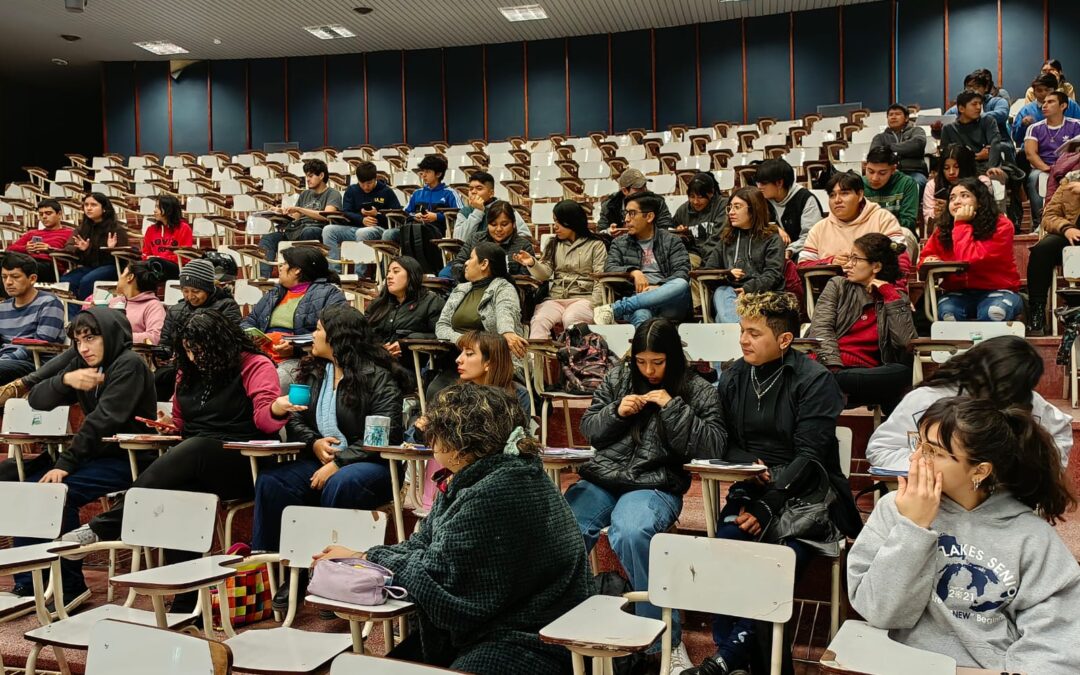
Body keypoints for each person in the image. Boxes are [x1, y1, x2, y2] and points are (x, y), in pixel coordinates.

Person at [312, 384, 593, 675]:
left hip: (531, 639)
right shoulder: (489, 475)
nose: (430, 440)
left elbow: (440, 578)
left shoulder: (497, 491)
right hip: (501, 626)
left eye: (436, 433)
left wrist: (372, 558)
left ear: (459, 443)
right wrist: (362, 556)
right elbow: (424, 544)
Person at [63, 309, 302, 613]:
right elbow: (182, 420)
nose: (192, 356)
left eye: (199, 349)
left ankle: (107, 525)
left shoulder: (253, 364)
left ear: (220, 343)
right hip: (196, 461)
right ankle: (186, 602)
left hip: (243, 461)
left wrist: (279, 409)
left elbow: (265, 420)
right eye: (187, 349)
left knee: (196, 447)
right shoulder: (186, 370)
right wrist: (167, 424)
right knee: (180, 494)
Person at [686, 292, 861, 675]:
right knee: (727, 551)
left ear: (784, 340)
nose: (743, 340)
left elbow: (812, 454)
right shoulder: (734, 375)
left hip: (809, 494)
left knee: (775, 564)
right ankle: (734, 663)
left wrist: (769, 506)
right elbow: (723, 440)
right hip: (752, 485)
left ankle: (725, 661)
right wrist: (748, 468)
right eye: (741, 331)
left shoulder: (815, 380)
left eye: (754, 332)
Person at [848, 397, 1080, 674]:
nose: (915, 458)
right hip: (899, 664)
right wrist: (914, 528)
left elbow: (1057, 639)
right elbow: (879, 612)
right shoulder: (895, 509)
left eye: (933, 451)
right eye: (918, 444)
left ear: (980, 471)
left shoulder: (1031, 537)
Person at [570, 318, 724, 671]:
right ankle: (566, 622)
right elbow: (589, 429)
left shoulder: (697, 388)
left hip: (656, 483)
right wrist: (615, 412)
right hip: (604, 479)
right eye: (642, 361)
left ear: (673, 356)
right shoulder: (618, 377)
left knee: (633, 531)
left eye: (658, 362)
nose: (649, 370)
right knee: (567, 526)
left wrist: (673, 407)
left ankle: (663, 641)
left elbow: (715, 443)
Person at [252, 306, 405, 606]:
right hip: (321, 458)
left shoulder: (378, 377)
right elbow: (295, 418)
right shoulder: (313, 372)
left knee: (341, 484)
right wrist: (314, 443)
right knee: (272, 482)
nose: (314, 335)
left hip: (372, 464)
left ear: (338, 337)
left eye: (319, 329)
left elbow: (386, 436)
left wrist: (339, 461)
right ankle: (283, 572)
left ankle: (329, 575)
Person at [5, 308, 155, 604]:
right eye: (78, 340)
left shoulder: (129, 364)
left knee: (60, 493)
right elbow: (37, 400)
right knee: (23, 486)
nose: (84, 347)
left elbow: (103, 420)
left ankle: (70, 586)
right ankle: (29, 581)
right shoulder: (82, 362)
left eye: (91, 338)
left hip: (129, 458)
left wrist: (65, 464)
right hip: (93, 456)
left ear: (109, 335)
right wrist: (65, 382)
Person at [865, 335, 1073, 471]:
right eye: (999, 385)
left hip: (1004, 506)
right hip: (936, 502)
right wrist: (938, 468)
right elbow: (881, 450)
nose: (1004, 395)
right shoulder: (927, 399)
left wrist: (1033, 469)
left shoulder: (1028, 401)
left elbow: (1059, 434)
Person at [807, 233, 916, 413]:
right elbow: (821, 329)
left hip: (866, 375)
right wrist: (833, 368)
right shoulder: (838, 285)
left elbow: (906, 342)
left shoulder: (896, 298)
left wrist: (890, 295)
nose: (848, 264)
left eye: (855, 259)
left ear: (876, 266)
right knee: (895, 389)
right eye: (849, 258)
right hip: (830, 367)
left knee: (903, 373)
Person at [241, 246, 347, 389]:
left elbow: (336, 331)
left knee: (271, 383)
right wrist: (251, 335)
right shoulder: (275, 293)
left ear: (297, 270)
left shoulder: (330, 294)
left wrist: (296, 348)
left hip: (299, 360)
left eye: (284, 264)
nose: (280, 267)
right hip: (261, 355)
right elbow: (249, 320)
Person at [918, 178, 1020, 321]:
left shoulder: (1001, 225)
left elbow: (969, 259)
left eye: (964, 196)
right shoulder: (943, 229)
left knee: (993, 312)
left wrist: (960, 224)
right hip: (957, 292)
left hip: (997, 290)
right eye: (952, 198)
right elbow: (925, 258)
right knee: (949, 314)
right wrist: (929, 260)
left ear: (979, 201)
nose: (957, 202)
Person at [594, 192, 692, 327]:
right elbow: (609, 267)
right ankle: (646, 346)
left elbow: (682, 271)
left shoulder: (672, 240)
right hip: (637, 296)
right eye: (626, 213)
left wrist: (659, 288)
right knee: (641, 314)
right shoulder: (619, 243)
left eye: (632, 213)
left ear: (650, 216)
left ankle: (617, 308)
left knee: (681, 284)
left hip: (668, 301)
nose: (627, 219)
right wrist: (634, 272)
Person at [514, 199, 607, 338]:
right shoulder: (553, 243)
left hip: (584, 298)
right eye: (554, 221)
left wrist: (595, 305)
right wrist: (532, 263)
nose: (555, 226)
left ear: (572, 221)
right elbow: (544, 274)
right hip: (556, 297)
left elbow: (600, 278)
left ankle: (574, 358)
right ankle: (539, 358)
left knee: (571, 319)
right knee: (539, 320)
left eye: (559, 222)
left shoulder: (596, 245)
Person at [799, 172, 914, 283]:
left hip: (878, 292)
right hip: (833, 295)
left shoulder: (882, 218)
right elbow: (802, 266)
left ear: (860, 195)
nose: (837, 200)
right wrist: (830, 262)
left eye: (844, 193)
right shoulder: (819, 229)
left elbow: (900, 260)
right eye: (832, 195)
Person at [701, 186, 786, 323]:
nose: (731, 212)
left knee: (720, 316)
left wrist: (747, 289)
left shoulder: (772, 238)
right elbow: (709, 271)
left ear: (753, 210)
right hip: (730, 295)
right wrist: (727, 274)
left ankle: (735, 331)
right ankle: (737, 330)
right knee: (722, 292)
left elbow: (773, 274)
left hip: (761, 295)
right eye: (730, 207)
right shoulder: (727, 239)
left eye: (737, 207)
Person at [435, 241, 526, 363]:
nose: (465, 263)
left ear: (484, 264)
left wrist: (507, 331)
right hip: (455, 358)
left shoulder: (504, 288)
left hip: (491, 361)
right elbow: (441, 326)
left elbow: (505, 311)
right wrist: (465, 340)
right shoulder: (460, 289)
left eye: (471, 258)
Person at [258, 159, 342, 277]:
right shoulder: (305, 194)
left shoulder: (333, 194)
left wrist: (300, 209)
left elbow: (327, 215)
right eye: (306, 176)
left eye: (311, 176)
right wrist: (280, 213)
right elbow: (295, 217)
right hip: (297, 229)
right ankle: (264, 277)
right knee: (268, 239)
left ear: (322, 175)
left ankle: (303, 274)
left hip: (317, 230)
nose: (307, 179)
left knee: (308, 231)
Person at [364, 255, 445, 373]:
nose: (389, 276)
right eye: (388, 272)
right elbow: (362, 333)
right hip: (375, 363)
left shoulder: (432, 302)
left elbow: (440, 336)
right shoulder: (378, 304)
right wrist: (379, 349)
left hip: (411, 368)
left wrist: (406, 343)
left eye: (396, 271)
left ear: (411, 275)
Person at [322, 161, 402, 271]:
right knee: (328, 230)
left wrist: (377, 214)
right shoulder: (352, 190)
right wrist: (362, 219)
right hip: (355, 227)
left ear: (375, 178)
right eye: (362, 183)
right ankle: (334, 272)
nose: (365, 187)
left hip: (379, 229)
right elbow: (346, 212)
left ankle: (359, 275)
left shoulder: (386, 191)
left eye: (369, 183)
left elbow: (396, 215)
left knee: (362, 232)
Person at [0, 253, 65, 385]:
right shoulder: (3, 307)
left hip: (35, 364)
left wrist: (6, 358)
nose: (8, 282)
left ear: (32, 278)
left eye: (15, 277)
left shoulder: (50, 302)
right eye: (4, 277)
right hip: (5, 361)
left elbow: (40, 343)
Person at [1028, 170, 1080, 334]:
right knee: (1041, 250)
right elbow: (1049, 215)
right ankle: (1037, 312)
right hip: (1073, 236)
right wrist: (1066, 228)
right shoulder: (1069, 181)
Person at [1024, 91, 1080, 229]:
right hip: (1044, 167)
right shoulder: (1034, 128)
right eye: (1044, 102)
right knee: (1034, 178)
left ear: (1063, 106)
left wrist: (1062, 169)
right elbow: (1031, 154)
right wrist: (1047, 169)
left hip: (1070, 168)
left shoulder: (1076, 125)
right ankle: (1039, 222)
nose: (1044, 105)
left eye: (1050, 102)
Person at [60, 192, 129, 302]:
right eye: (86, 205)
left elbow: (125, 257)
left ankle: (84, 310)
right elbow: (68, 247)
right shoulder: (82, 228)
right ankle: (72, 313)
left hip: (111, 267)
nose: (88, 208)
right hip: (89, 266)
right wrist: (80, 248)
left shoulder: (116, 229)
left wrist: (112, 249)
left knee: (87, 281)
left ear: (104, 208)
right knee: (67, 280)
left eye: (93, 205)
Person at [447, 200, 533, 281]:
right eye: (493, 224)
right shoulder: (475, 239)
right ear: (488, 224)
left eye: (504, 224)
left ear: (513, 224)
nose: (499, 229)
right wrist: (471, 271)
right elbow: (456, 267)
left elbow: (525, 279)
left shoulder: (523, 245)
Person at [754, 158, 824, 257]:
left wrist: (791, 250)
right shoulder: (762, 198)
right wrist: (775, 228)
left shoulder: (805, 199)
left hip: (800, 253)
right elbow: (754, 223)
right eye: (757, 183)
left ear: (779, 183)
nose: (759, 187)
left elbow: (811, 236)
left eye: (763, 183)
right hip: (771, 252)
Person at [382, 154, 462, 242]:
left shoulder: (450, 193)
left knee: (420, 234)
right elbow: (405, 213)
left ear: (438, 174)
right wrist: (414, 216)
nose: (423, 175)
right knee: (389, 234)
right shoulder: (417, 193)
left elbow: (461, 214)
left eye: (427, 172)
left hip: (436, 231)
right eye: (422, 171)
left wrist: (437, 216)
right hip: (413, 228)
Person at [922, 145, 994, 234]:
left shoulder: (982, 182)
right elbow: (927, 217)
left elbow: (986, 211)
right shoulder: (933, 185)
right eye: (946, 168)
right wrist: (935, 213)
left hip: (977, 230)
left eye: (956, 167)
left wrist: (949, 209)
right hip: (944, 232)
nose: (951, 172)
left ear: (965, 166)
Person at [6, 199, 73, 282]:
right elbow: (10, 249)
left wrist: (49, 249)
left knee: (21, 268)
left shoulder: (70, 233)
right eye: (41, 214)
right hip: (28, 261)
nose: (44, 217)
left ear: (59, 214)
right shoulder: (32, 233)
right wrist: (26, 248)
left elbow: (72, 253)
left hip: (51, 266)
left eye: (48, 213)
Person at [452, 171, 530, 241]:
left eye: (479, 188)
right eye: (471, 189)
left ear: (491, 193)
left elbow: (525, 235)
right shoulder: (465, 211)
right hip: (472, 255)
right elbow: (459, 240)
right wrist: (478, 211)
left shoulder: (505, 208)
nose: (473, 192)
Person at [940, 91, 1004, 173]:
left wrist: (991, 169)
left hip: (986, 168)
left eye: (980, 104)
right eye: (974, 104)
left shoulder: (988, 121)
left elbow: (994, 145)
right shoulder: (948, 129)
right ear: (961, 109)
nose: (978, 107)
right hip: (959, 170)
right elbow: (947, 156)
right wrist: (977, 156)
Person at [106, 260, 166, 345]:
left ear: (130, 277)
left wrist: (121, 336)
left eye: (123, 273)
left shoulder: (153, 306)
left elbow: (155, 337)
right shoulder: (114, 301)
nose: (119, 277)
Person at [596, 168, 674, 235]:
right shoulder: (609, 206)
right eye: (638, 188)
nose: (643, 191)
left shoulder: (658, 202)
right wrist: (608, 232)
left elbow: (664, 229)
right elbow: (600, 232)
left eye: (644, 186)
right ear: (624, 190)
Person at [862, 146, 920, 234]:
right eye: (870, 171)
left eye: (882, 173)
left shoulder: (906, 183)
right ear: (865, 166)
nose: (874, 178)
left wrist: (880, 226)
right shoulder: (859, 184)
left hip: (896, 233)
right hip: (866, 236)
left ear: (893, 169)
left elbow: (909, 222)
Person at [870, 104, 929, 191]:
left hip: (914, 172)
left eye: (897, 114)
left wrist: (889, 148)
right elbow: (875, 154)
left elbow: (917, 144)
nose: (893, 117)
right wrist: (904, 149)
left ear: (906, 118)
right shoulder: (879, 137)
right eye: (890, 115)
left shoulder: (916, 131)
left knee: (914, 184)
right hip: (888, 174)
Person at [670, 172, 727, 259]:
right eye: (692, 197)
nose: (696, 202)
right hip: (688, 255)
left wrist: (701, 258)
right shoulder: (683, 210)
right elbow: (669, 233)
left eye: (700, 197)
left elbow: (718, 240)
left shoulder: (722, 206)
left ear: (711, 193)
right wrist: (678, 233)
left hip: (713, 257)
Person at [1010, 74, 1080, 145]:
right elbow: (1017, 139)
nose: (1044, 93)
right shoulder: (1026, 111)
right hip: (1035, 149)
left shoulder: (1070, 105)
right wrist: (1023, 125)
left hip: (1068, 150)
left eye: (1047, 90)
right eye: (1039, 90)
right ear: (1034, 92)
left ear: (1055, 90)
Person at [945, 71, 1011, 140]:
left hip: (997, 144)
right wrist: (936, 130)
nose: (972, 90)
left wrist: (975, 117)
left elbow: (1002, 114)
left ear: (986, 88)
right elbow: (945, 121)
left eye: (976, 87)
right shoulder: (960, 108)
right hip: (968, 146)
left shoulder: (997, 101)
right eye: (969, 87)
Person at [140, 194, 192, 280]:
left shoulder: (184, 228)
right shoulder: (151, 230)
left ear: (168, 209)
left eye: (158, 207)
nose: (154, 210)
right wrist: (149, 258)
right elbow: (145, 253)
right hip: (153, 265)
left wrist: (160, 258)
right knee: (135, 267)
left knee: (154, 263)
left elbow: (185, 257)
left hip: (176, 268)